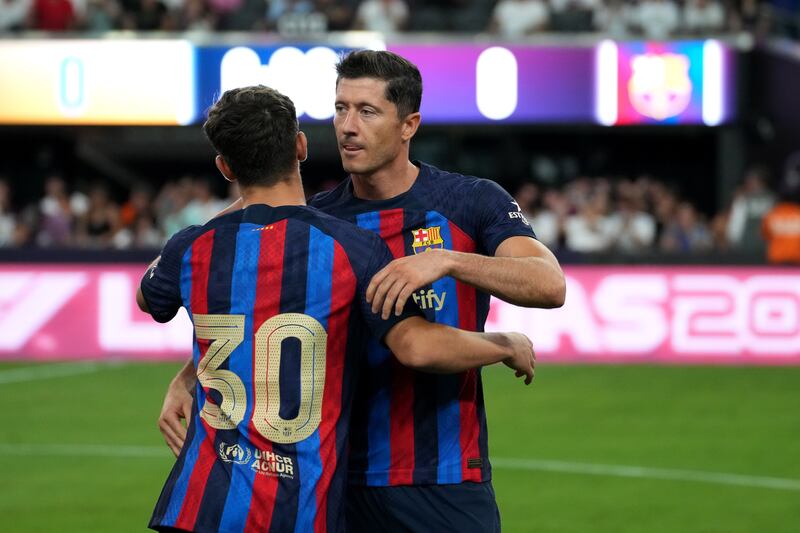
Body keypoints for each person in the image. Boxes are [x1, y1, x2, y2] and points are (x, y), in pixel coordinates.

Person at [160, 51, 564, 531]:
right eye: (340, 108)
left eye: (367, 111)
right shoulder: (318, 220)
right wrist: (188, 376)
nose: (348, 126)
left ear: (408, 124)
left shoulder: (470, 201)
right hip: (335, 481)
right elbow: (253, 310)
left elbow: (549, 284)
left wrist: (449, 259)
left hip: (443, 475)